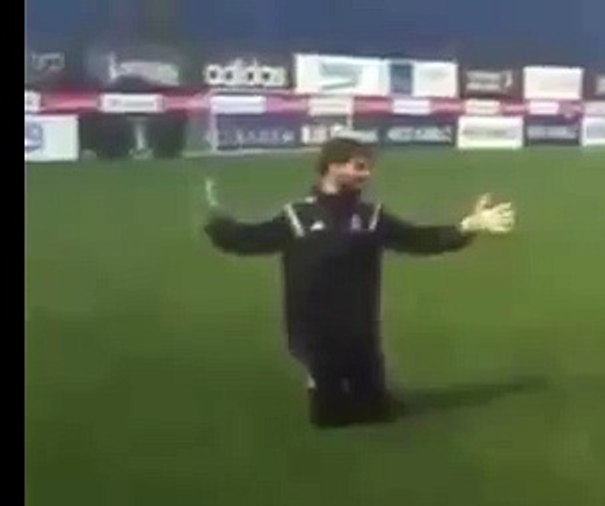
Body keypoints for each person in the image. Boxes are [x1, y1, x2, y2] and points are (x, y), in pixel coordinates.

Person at [204, 137, 515, 428]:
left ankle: (365, 388)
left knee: (376, 412)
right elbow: (251, 240)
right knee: (329, 419)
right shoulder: (297, 216)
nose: (366, 174)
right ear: (333, 166)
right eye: (358, 166)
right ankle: (319, 380)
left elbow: (420, 240)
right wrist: (220, 227)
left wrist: (468, 226)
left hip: (360, 326)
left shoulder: (371, 217)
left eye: (367, 167)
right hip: (314, 327)